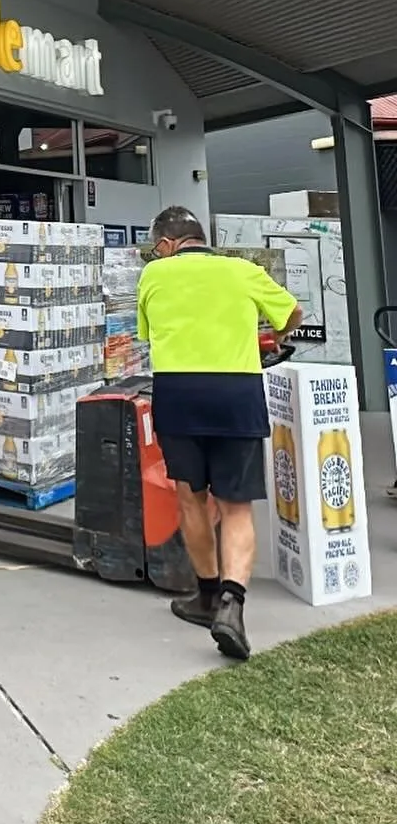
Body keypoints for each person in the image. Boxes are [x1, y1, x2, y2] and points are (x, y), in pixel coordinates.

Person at [138, 205, 302, 662]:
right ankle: (232, 603)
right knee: (235, 505)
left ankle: (206, 595)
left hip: (178, 392)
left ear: (168, 244)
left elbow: (148, 334)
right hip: (236, 393)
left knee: (189, 495)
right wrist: (264, 335)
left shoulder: (154, 276)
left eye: (157, 248)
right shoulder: (243, 270)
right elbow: (293, 313)